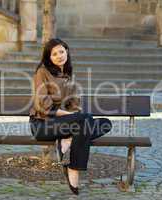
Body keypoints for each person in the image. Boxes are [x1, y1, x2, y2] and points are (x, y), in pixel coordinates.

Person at [29, 38, 112, 195]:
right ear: (49, 57)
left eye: (62, 51)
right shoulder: (42, 72)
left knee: (106, 123)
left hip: (63, 125)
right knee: (85, 119)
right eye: (54, 54)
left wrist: (75, 114)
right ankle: (74, 169)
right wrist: (73, 115)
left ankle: (68, 144)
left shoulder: (68, 75)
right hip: (42, 125)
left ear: (66, 51)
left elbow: (74, 105)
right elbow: (43, 105)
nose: (59, 55)